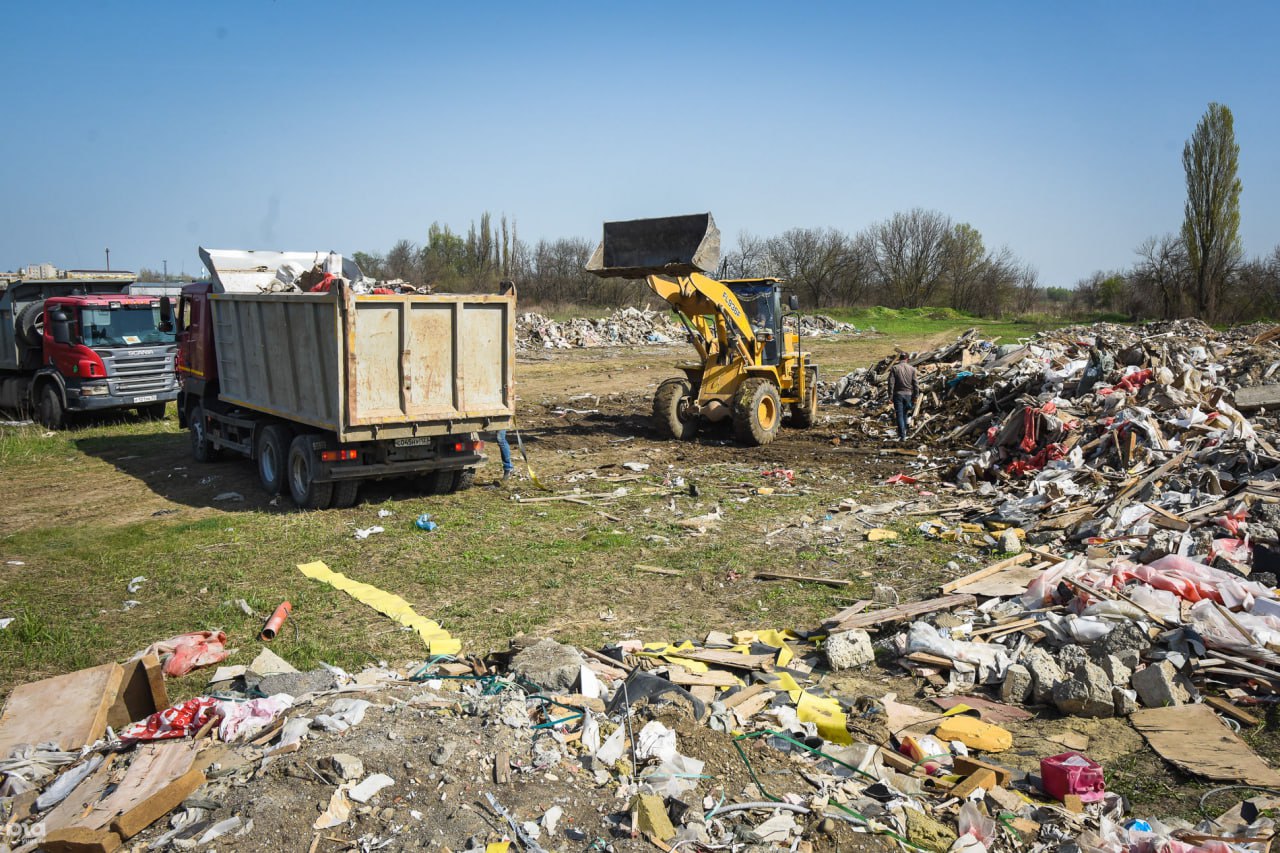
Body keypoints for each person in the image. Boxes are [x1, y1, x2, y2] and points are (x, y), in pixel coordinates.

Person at [888, 352, 918, 441]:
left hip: (898, 394)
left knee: (900, 415)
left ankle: (902, 436)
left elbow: (891, 383)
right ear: (907, 359)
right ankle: (904, 432)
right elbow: (916, 384)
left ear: (899, 359)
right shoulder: (912, 369)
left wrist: (890, 396)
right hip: (908, 395)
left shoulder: (895, 368)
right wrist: (916, 396)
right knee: (905, 413)